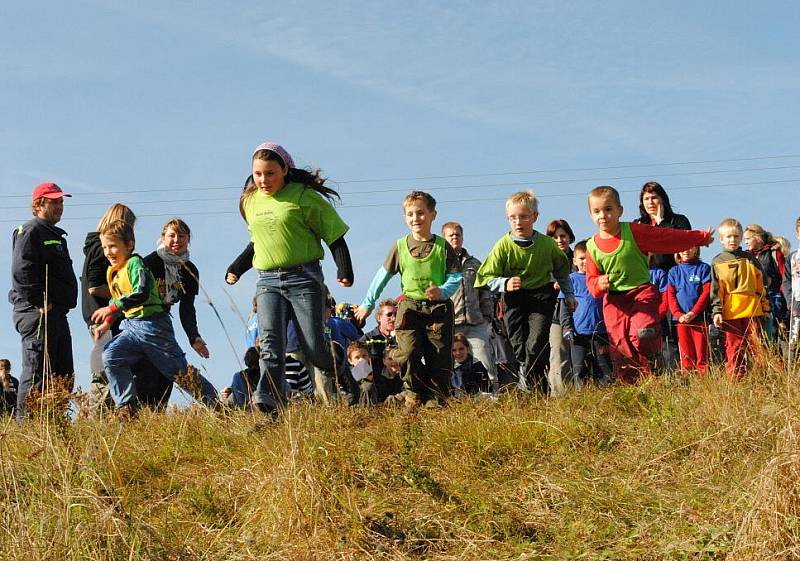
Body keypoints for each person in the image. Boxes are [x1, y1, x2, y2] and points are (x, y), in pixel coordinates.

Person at [232, 142, 353, 415]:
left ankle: (340, 370)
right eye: (258, 174)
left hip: (304, 277)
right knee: (271, 345)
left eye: (270, 173)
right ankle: (269, 405)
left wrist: (344, 270)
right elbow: (258, 241)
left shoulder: (304, 197)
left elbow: (334, 236)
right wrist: (237, 267)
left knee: (313, 349)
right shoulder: (249, 202)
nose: (263, 180)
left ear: (285, 169)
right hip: (267, 281)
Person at [584, 186, 713, 384]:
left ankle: (654, 359)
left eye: (608, 209)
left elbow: (664, 237)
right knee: (620, 348)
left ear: (620, 210)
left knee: (643, 332)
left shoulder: (633, 231)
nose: (603, 215)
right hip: (615, 303)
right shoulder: (591, 246)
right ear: (591, 214)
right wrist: (599, 283)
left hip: (641, 294)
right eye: (597, 211)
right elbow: (591, 283)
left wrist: (698, 238)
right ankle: (633, 388)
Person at [355, 191, 462, 407]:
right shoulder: (400, 246)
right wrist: (368, 303)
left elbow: (455, 277)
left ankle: (436, 398)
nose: (416, 218)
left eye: (421, 213)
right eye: (410, 214)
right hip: (410, 309)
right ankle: (414, 391)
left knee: (439, 357)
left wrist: (442, 291)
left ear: (433, 215)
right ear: (405, 217)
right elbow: (382, 276)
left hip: (438, 310)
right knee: (408, 353)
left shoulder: (443, 247)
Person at [474, 191, 575, 396]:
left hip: (541, 296)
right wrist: (504, 282)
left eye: (524, 216)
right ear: (507, 218)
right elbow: (483, 278)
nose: (518, 222)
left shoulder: (547, 245)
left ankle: (534, 390)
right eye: (513, 217)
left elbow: (562, 270)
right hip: (514, 299)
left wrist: (569, 294)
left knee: (536, 341)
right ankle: (535, 387)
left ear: (535, 217)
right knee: (520, 347)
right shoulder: (503, 246)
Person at [90, 221, 189, 418]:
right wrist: (107, 322)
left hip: (153, 324)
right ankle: (126, 406)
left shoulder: (137, 264)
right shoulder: (114, 271)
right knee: (111, 356)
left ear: (129, 245)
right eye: (104, 247)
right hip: (131, 326)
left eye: (113, 246)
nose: (108, 251)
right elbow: (117, 298)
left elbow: (140, 293)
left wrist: (111, 308)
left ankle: (214, 404)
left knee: (178, 372)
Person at [10, 182, 78, 420]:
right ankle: (27, 429)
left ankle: (54, 425)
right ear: (39, 204)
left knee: (63, 374)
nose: (60, 206)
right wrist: (40, 300)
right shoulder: (30, 231)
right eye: (54, 201)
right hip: (37, 312)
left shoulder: (56, 236)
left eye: (61, 201)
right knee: (37, 372)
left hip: (57, 314)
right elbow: (22, 270)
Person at [142, 218, 218, 407]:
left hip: (163, 320)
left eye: (181, 236)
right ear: (162, 238)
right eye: (172, 235)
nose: (177, 240)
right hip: (141, 320)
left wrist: (194, 337)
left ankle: (158, 414)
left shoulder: (190, 270)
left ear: (188, 239)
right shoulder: (149, 262)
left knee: (169, 371)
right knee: (147, 370)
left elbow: (187, 308)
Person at [81, 203, 138, 415]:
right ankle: (97, 418)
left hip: (103, 316)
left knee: (111, 365)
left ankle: (111, 413)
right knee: (105, 370)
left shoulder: (96, 247)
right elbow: (94, 287)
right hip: (101, 316)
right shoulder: (100, 249)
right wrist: (125, 296)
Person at [441, 221, 498, 392]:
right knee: (450, 367)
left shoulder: (474, 263)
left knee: (485, 363)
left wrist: (488, 317)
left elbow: (485, 291)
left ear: (463, 237)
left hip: (475, 323)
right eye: (450, 235)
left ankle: (493, 398)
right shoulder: (440, 264)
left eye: (457, 234)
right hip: (451, 325)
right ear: (443, 239)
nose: (454, 237)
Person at [711, 218, 769, 378]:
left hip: (753, 310)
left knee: (758, 346)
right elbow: (716, 290)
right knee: (734, 347)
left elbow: (761, 284)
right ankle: (735, 381)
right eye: (728, 237)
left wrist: (766, 306)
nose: (732, 240)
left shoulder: (750, 259)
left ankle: (764, 379)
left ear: (741, 237)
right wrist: (717, 311)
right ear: (721, 239)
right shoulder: (717, 261)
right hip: (731, 312)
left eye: (736, 236)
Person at [560, 241, 613, 387]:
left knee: (604, 368)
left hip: (600, 333)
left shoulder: (601, 279)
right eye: (582, 258)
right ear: (574, 261)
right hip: (578, 334)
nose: (585, 262)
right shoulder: (570, 280)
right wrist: (566, 327)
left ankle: (606, 397)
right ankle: (581, 400)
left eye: (589, 258)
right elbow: (564, 307)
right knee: (579, 370)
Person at [667, 247, 712, 374]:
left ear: (696, 249)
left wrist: (694, 312)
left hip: (698, 318)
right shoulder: (674, 271)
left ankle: (704, 383)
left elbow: (706, 292)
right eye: (683, 247)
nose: (686, 250)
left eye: (690, 247)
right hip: (681, 320)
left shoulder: (703, 268)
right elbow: (670, 295)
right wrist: (678, 314)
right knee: (686, 355)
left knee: (701, 354)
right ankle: (688, 381)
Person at [546, 219, 576, 394]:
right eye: (554, 237)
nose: (559, 240)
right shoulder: (546, 263)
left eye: (562, 236)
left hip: (580, 316)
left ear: (569, 237)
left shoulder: (579, 258)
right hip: (555, 317)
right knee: (558, 356)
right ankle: (560, 398)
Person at [743, 224, 788, 340]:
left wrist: (785, 298)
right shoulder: (747, 256)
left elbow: (783, 275)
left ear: (757, 237)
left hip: (774, 296)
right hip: (755, 298)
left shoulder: (773, 253)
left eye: (748, 239)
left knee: (776, 331)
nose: (745, 242)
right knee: (757, 332)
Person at [360, 299, 398, 372]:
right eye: (389, 314)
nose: (393, 318)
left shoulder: (402, 339)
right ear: (379, 318)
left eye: (396, 315)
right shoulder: (367, 340)